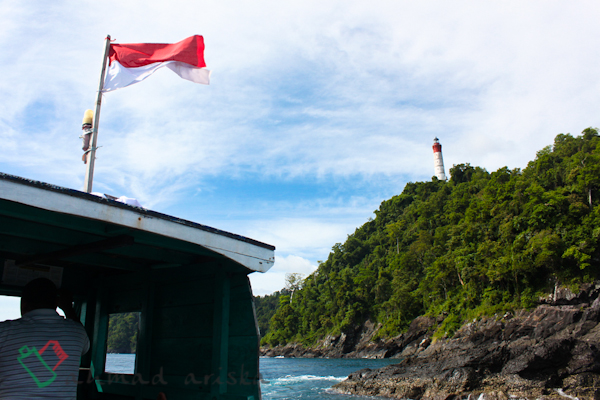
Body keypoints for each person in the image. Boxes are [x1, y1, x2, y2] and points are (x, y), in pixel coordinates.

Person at [0, 278, 90, 399]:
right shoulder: (77, 332)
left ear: (23, 303)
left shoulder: (4, 331)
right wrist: (68, 308)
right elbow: (84, 348)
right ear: (57, 303)